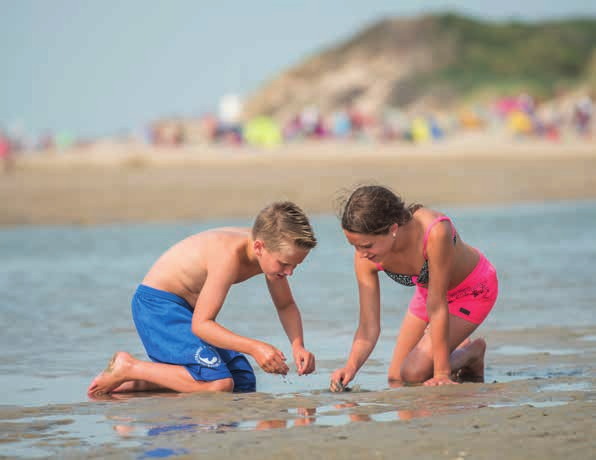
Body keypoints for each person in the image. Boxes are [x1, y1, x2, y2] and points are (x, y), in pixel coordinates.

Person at [88, 201, 317, 397]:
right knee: (219, 384)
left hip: (185, 312)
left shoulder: (270, 254)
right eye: (285, 264)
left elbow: (285, 305)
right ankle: (129, 367)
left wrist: (298, 346)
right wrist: (255, 348)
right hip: (157, 308)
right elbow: (202, 325)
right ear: (259, 247)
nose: (289, 272)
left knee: (242, 380)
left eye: (295, 265)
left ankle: (133, 385)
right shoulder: (228, 256)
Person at [330, 185, 498, 390]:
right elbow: (368, 326)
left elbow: (437, 306)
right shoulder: (365, 257)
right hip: (428, 292)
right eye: (354, 246)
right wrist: (351, 367)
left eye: (366, 246)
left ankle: (472, 353)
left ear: (392, 229)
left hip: (472, 291)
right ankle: (454, 350)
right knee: (396, 377)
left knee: (414, 373)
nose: (360, 254)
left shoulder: (435, 231)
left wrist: (441, 374)